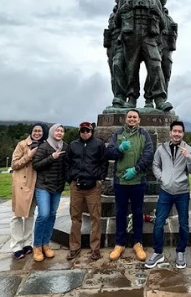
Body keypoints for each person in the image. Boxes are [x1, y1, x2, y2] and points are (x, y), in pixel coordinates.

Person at [113, 0, 172, 111]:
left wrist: (157, 12)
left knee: (156, 65)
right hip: (131, 37)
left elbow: (164, 24)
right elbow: (116, 22)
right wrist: (122, 11)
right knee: (131, 68)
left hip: (149, 37)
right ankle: (131, 98)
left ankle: (159, 99)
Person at [145, 120, 191, 269]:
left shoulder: (189, 149)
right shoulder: (161, 148)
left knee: (184, 224)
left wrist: (188, 156)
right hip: (166, 192)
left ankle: (180, 252)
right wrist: (161, 178)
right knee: (158, 223)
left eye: (179, 131)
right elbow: (155, 164)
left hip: (182, 192)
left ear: (182, 133)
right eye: (174, 131)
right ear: (170, 133)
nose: (176, 134)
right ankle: (157, 252)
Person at [106, 109, 154, 262]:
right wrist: (119, 149)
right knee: (120, 212)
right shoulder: (118, 134)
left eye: (135, 117)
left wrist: (136, 169)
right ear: (126, 119)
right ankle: (119, 244)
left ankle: (137, 243)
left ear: (139, 120)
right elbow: (110, 153)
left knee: (138, 212)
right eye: (129, 117)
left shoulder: (144, 135)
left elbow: (148, 153)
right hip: (121, 180)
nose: (132, 119)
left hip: (137, 180)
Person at [66, 121, 108, 261]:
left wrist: (100, 179)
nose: (85, 133)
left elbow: (104, 162)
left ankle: (95, 248)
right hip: (76, 186)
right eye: (83, 131)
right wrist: (70, 178)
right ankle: (74, 247)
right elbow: (67, 163)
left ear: (92, 131)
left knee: (95, 217)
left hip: (93, 187)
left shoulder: (99, 144)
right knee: (75, 217)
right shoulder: (72, 145)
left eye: (88, 130)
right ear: (80, 131)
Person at [10, 122, 46, 259]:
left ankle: (26, 243)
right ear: (31, 132)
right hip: (22, 183)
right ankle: (16, 245)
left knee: (30, 215)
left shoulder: (43, 145)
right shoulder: (22, 145)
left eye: (40, 131)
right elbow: (14, 164)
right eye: (35, 130)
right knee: (17, 215)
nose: (37, 133)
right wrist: (29, 155)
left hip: (35, 184)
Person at [32, 124, 67, 263]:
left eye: (62, 131)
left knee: (52, 215)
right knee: (43, 214)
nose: (59, 133)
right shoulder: (44, 147)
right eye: (57, 130)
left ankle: (46, 244)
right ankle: (37, 246)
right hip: (44, 186)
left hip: (57, 186)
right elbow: (36, 165)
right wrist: (52, 157)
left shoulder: (65, 147)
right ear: (52, 132)